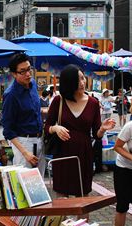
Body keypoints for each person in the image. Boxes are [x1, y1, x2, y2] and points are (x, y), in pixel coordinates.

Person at [45, 65, 116, 197]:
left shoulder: (93, 103)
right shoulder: (58, 101)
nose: (82, 83)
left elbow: (96, 134)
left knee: (83, 194)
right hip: (62, 153)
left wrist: (102, 129)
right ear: (69, 83)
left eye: (83, 78)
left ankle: (83, 219)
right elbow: (47, 126)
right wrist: (55, 128)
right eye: (78, 80)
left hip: (84, 154)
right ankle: (63, 218)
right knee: (61, 195)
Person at [2, 53, 45, 174]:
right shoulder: (11, 95)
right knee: (24, 183)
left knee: (39, 182)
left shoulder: (33, 85)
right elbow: (8, 130)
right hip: (23, 142)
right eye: (22, 71)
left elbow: (34, 111)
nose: (28, 74)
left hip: (39, 139)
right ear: (14, 74)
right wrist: (24, 152)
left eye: (29, 69)